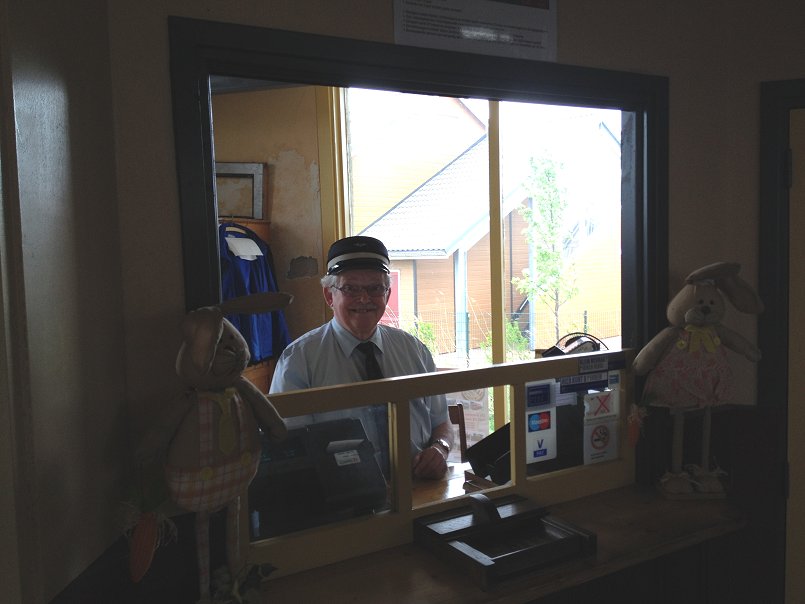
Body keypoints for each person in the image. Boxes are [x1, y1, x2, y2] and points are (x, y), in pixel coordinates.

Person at [269, 235, 451, 480]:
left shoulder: (414, 351)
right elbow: (289, 446)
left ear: (387, 294)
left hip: (418, 487)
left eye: (375, 288)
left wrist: (440, 448)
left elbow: (441, 422)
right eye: (351, 288)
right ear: (329, 295)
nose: (364, 299)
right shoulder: (298, 360)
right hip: (340, 496)